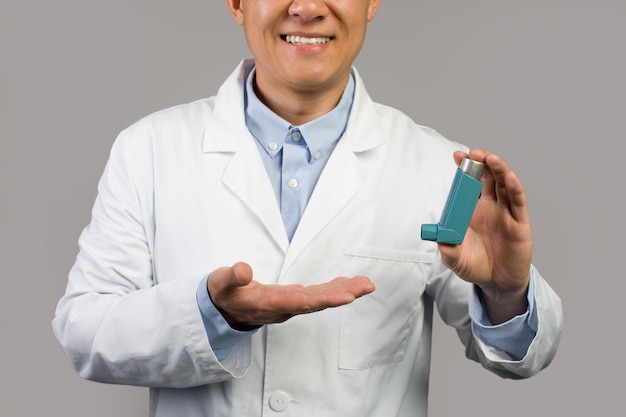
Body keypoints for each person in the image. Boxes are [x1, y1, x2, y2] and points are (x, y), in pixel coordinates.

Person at [52, 1, 563, 416]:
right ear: (236, 3)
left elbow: (522, 359)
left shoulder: (438, 166)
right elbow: (85, 330)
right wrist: (212, 314)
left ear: (371, 3)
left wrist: (504, 292)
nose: (307, 8)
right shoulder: (149, 149)